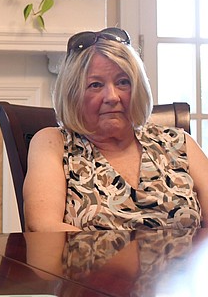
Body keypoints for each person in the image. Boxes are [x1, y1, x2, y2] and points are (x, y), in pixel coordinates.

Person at [24, 27, 208, 231]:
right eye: (95, 85)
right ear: (72, 93)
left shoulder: (178, 143)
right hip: (89, 263)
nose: (112, 97)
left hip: (184, 262)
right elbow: (42, 225)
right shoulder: (54, 144)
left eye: (123, 82)